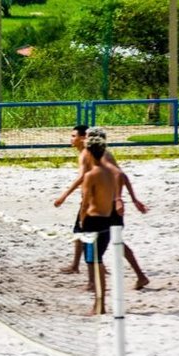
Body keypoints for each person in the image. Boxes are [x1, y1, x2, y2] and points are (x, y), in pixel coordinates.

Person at [54, 125, 149, 290]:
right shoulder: (95, 154)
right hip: (103, 203)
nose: (72, 138)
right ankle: (85, 269)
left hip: (102, 206)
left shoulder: (93, 155)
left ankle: (93, 279)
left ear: (85, 138)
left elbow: (117, 174)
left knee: (89, 238)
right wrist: (130, 199)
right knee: (99, 238)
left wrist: (64, 195)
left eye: (74, 135)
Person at [79, 135, 116, 315]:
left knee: (95, 263)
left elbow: (85, 203)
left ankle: (99, 305)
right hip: (107, 222)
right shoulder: (110, 172)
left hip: (93, 223)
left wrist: (81, 221)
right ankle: (100, 303)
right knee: (98, 262)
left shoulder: (91, 175)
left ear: (90, 153)